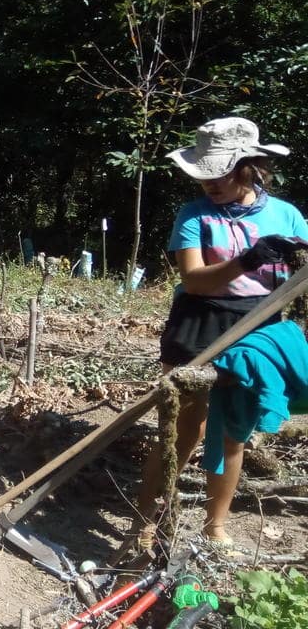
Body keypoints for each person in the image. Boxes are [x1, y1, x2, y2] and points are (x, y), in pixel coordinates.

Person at [132, 117, 308, 548]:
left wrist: (295, 261)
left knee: (233, 429)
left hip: (258, 323)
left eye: (220, 173)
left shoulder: (286, 215)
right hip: (199, 318)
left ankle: (217, 526)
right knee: (180, 427)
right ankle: (145, 520)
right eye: (204, 174)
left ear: (249, 167)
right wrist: (246, 261)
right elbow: (194, 279)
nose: (210, 183)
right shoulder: (194, 215)